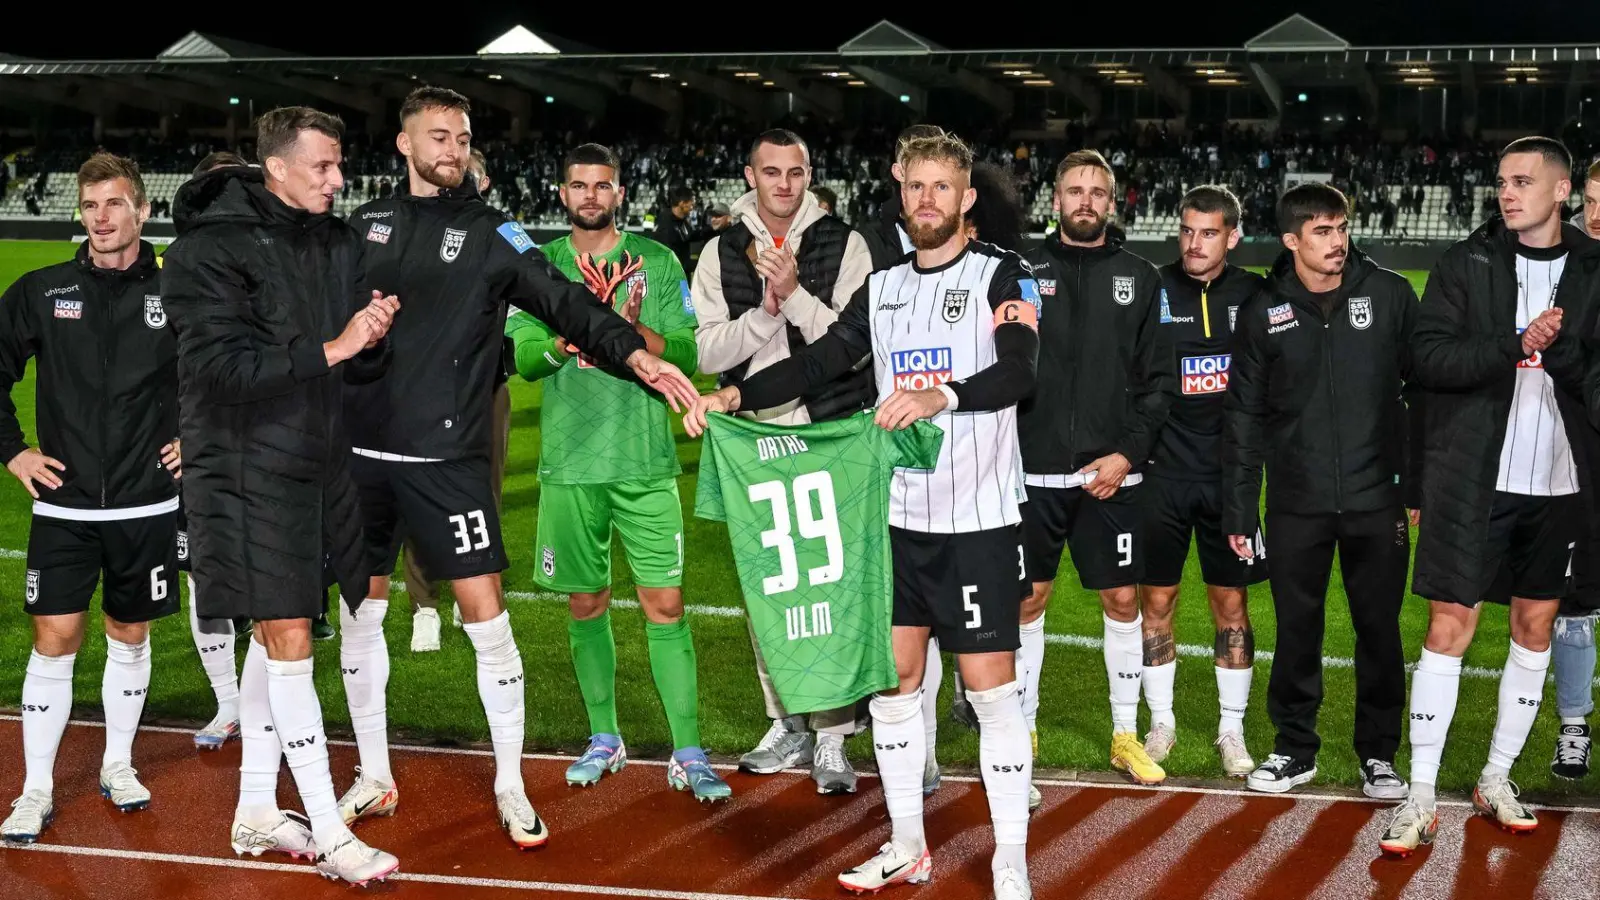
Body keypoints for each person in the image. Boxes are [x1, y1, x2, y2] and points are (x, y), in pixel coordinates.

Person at [336, 87, 699, 844]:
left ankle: (508, 783)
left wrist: (634, 354)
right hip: (364, 456)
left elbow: (567, 303)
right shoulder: (362, 226)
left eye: (462, 137)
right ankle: (373, 775)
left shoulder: (495, 232)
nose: (452, 148)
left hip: (448, 460)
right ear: (404, 145)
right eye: (437, 136)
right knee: (360, 615)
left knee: (489, 622)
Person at [686, 129, 1042, 900]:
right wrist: (735, 395)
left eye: (942, 188)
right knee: (893, 686)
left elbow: (1017, 370)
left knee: (989, 690)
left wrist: (939, 394)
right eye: (915, 187)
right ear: (900, 191)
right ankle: (908, 844)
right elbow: (819, 360)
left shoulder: (1000, 274)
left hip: (976, 520)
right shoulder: (881, 288)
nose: (927, 201)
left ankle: (1010, 855)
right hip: (891, 520)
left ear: (966, 198)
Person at [160, 106, 401, 884]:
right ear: (277, 167)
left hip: (318, 462)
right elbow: (219, 372)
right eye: (324, 167)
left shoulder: (332, 242)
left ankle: (258, 810)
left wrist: (368, 337)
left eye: (339, 165)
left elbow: (347, 367)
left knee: (281, 636)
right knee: (290, 637)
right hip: (242, 467)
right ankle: (330, 832)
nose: (339, 180)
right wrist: (337, 344)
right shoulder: (204, 253)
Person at [1381, 137, 1600, 853]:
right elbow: (1427, 360)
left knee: (1535, 629)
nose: (1507, 194)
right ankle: (1417, 796)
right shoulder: (1467, 262)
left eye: (1523, 182)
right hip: (1475, 479)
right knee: (1451, 627)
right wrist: (1512, 342)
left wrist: (1557, 352)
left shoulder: (1596, 270)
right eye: (1502, 182)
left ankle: (1495, 777)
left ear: (1562, 190)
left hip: (1562, 485)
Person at [504, 141, 727, 801]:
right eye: (580, 185)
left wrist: (626, 335)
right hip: (571, 465)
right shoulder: (539, 267)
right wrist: (566, 340)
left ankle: (688, 751)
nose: (591, 196)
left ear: (621, 192)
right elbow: (523, 359)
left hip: (644, 462)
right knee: (585, 600)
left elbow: (687, 350)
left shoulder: (656, 262)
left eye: (603, 185)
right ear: (563, 193)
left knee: (665, 604)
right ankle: (605, 736)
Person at [0, 153, 182, 842]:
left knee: (129, 634)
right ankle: (36, 788)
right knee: (55, 640)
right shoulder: (44, 291)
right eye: (89, 205)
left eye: (113, 204)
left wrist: (195, 437)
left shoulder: (179, 292)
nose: (100, 218)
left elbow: (223, 372)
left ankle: (117, 762)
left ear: (141, 208)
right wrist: (12, 449)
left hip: (146, 506)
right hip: (66, 507)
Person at [690, 128, 877, 794]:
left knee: (831, 585)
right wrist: (768, 313)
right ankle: (786, 723)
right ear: (750, 173)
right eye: (771, 172)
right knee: (769, 587)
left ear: (808, 174)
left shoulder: (846, 243)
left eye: (795, 173)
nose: (784, 185)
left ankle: (831, 736)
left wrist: (795, 294)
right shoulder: (717, 251)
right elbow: (710, 355)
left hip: (833, 432)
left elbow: (855, 346)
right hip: (753, 441)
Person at [1222, 182, 1418, 799]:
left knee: (1380, 631)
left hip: (1375, 499)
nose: (1338, 243)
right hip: (1295, 503)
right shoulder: (1264, 310)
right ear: (1291, 240)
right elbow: (1244, 416)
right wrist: (1239, 507)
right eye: (1323, 232)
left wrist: (1413, 485)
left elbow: (1424, 394)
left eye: (1342, 229)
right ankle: (1293, 748)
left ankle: (1380, 756)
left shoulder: (1388, 294)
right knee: (1296, 629)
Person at [1016, 149, 1174, 789]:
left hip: (1113, 475)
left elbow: (1160, 384)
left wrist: (1128, 454)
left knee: (1121, 600)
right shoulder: (1020, 272)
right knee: (1028, 600)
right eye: (1074, 189)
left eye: (1097, 191)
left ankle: (1124, 733)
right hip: (1030, 471)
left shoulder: (1142, 278)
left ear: (1113, 203)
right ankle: (1020, 729)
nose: (1085, 200)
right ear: (1056, 199)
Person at [1142, 185, 1269, 778]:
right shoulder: (1152, 288)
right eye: (1188, 232)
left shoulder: (1257, 293)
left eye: (1209, 233)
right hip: (1162, 475)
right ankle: (1161, 720)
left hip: (1230, 479)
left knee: (1231, 603)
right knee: (1157, 602)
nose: (1195, 244)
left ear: (1233, 237)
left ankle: (1231, 729)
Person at [402, 147, 505, 649]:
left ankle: (476, 597)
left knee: (484, 495)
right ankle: (425, 608)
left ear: (481, 184)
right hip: (428, 393)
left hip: (488, 391)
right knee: (420, 500)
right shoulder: (417, 238)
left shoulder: (499, 235)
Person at [179, 150, 250, 751]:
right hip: (205, 454)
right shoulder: (177, 274)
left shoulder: (279, 265)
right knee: (206, 579)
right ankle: (229, 704)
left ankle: (264, 706)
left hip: (274, 451)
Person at [1549, 156, 1600, 779]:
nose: (1596, 212)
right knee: (1577, 595)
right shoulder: (1571, 267)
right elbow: (1564, 352)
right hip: (1580, 454)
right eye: (1590, 197)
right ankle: (1573, 724)